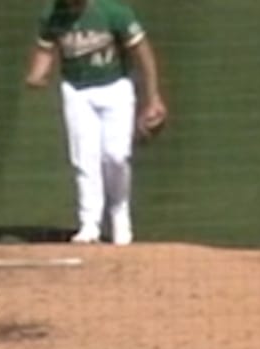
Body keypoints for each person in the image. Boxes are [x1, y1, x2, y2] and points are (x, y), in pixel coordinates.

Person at [25, 0, 168, 246]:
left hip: (115, 88)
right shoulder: (54, 14)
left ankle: (119, 213)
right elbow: (45, 49)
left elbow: (142, 52)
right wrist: (37, 74)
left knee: (116, 156)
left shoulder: (113, 11)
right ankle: (89, 223)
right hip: (77, 91)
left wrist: (153, 97)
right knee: (84, 157)